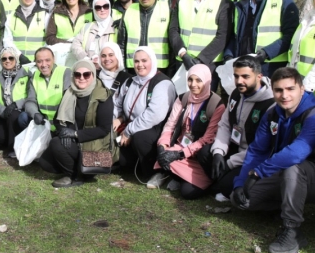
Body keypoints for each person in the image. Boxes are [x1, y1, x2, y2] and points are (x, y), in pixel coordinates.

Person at [231, 68, 315, 253]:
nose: (284, 95)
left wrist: (257, 173)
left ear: (302, 89)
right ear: (272, 91)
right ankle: (285, 206)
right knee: (240, 199)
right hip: (285, 172)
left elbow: (297, 153)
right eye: (279, 90)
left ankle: (292, 230)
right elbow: (257, 150)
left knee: (293, 168)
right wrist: (241, 182)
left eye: (290, 89)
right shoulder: (273, 113)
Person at [37, 60, 114, 188]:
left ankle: (77, 175)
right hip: (73, 142)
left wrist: (75, 134)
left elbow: (104, 129)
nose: (81, 78)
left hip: (94, 145)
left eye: (86, 74)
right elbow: (58, 119)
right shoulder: (69, 92)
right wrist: (64, 131)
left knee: (56, 143)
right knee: (46, 163)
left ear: (93, 75)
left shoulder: (103, 96)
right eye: (77, 75)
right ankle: (74, 171)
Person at [153, 64, 225, 198]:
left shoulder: (216, 104)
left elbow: (208, 138)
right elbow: (170, 126)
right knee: (159, 155)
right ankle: (178, 175)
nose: (193, 84)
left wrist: (179, 154)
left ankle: (195, 179)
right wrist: (162, 147)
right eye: (190, 80)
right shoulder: (183, 98)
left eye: (198, 80)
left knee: (187, 192)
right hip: (180, 148)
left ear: (207, 80)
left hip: (196, 155)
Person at [208, 56, 275, 197]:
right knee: (205, 153)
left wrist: (230, 163)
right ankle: (214, 179)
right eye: (236, 76)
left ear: (259, 76)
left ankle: (220, 181)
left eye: (245, 76)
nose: (239, 81)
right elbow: (225, 124)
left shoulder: (271, 105)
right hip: (233, 146)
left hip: (252, 156)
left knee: (226, 185)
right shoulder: (236, 93)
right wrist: (219, 152)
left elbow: (262, 147)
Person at [114, 46, 176, 182]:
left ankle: (156, 171)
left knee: (140, 138)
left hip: (154, 131)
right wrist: (118, 118)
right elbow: (118, 103)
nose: (140, 65)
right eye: (136, 61)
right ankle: (91, 162)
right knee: (119, 158)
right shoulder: (130, 81)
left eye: (144, 60)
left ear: (152, 61)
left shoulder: (163, 84)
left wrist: (128, 131)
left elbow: (154, 115)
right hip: (130, 129)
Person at [226, 0, 299, 74]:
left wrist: (267, 53)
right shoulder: (240, 3)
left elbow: (291, 34)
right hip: (243, 66)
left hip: (271, 67)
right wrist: (229, 55)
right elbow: (234, 35)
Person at [169, 0, 232, 75]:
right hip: (183, 61)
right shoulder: (181, 0)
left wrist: (201, 60)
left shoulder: (224, 2)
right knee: (182, 93)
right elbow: (173, 30)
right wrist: (183, 54)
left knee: (207, 93)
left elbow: (223, 36)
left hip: (209, 64)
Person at [120, 0, 171, 75]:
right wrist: (124, 69)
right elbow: (122, 43)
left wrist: (171, 70)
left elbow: (172, 42)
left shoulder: (166, 10)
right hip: (134, 68)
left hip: (160, 68)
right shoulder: (129, 11)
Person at [0, 47, 30, 157]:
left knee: (14, 114)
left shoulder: (26, 74)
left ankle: (13, 148)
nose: (7, 61)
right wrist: (3, 111)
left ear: (16, 59)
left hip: (21, 112)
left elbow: (31, 95)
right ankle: (15, 140)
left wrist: (16, 104)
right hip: (5, 113)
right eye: (4, 59)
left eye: (11, 58)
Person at [24, 47, 72, 129]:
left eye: (47, 60)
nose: (43, 65)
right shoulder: (34, 76)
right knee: (23, 117)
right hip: (43, 123)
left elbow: (69, 102)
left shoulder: (65, 72)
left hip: (62, 124)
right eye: (39, 61)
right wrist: (35, 113)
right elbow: (30, 101)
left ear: (54, 59)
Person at [3, 0, 46, 64]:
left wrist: (41, 56)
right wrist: (19, 56)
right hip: (17, 61)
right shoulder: (12, 16)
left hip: (39, 62)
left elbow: (48, 39)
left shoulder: (44, 14)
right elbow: (7, 40)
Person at [71, 0, 118, 65]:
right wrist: (85, 59)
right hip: (89, 67)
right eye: (98, 7)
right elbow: (75, 44)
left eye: (105, 6)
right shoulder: (86, 27)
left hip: (110, 69)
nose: (102, 9)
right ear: (94, 10)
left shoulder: (117, 27)